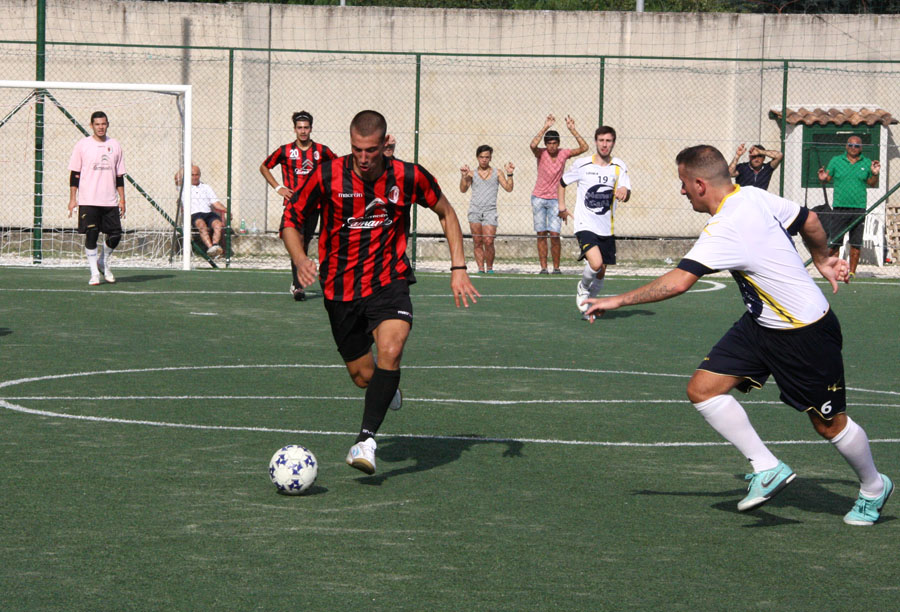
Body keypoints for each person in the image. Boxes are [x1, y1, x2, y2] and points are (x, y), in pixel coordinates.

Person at [584, 145, 892, 525]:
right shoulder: (752, 194)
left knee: (828, 424)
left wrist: (615, 301)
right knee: (702, 389)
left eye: (683, 184)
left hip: (804, 333)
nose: (681, 192)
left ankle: (874, 487)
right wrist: (823, 257)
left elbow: (679, 282)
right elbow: (810, 219)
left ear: (699, 184)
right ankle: (767, 466)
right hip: (761, 323)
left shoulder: (726, 226)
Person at [282, 110, 479, 476]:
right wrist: (299, 257)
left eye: (371, 149)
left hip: (389, 280)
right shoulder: (327, 174)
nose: (363, 157)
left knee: (391, 348)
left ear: (383, 144)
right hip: (340, 290)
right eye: (357, 148)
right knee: (362, 376)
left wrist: (459, 268)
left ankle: (365, 441)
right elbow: (291, 220)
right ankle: (385, 389)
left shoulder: (408, 175)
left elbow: (447, 212)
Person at [260, 110, 337, 300]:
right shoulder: (285, 150)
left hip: (315, 206)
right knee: (298, 242)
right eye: (300, 128)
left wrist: (328, 190)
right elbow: (264, 166)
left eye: (306, 127)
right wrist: (279, 187)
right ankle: (298, 286)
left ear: (311, 128)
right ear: (294, 129)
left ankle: (300, 282)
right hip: (294, 205)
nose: (303, 131)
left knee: (306, 242)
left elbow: (338, 167)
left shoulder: (322, 150)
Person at [558, 126, 631, 318]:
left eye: (608, 141)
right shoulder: (582, 165)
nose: (604, 144)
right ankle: (582, 287)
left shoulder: (619, 166)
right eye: (601, 140)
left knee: (601, 271)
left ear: (613, 143)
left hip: (606, 227)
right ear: (596, 142)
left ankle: (589, 307)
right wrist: (562, 207)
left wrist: (624, 192)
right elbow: (563, 182)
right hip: (584, 225)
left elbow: (626, 190)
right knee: (596, 263)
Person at [67, 111, 126, 285]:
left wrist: (122, 199)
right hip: (88, 200)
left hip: (109, 201)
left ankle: (103, 261)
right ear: (91, 125)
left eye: (103, 124)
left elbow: (119, 176)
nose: (100, 127)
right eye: (97, 124)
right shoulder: (82, 145)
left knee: (115, 235)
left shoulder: (115, 145)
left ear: (107, 124)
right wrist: (73, 198)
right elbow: (74, 174)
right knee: (91, 234)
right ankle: (94, 272)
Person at [530, 114, 588, 274]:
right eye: (549, 143)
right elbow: (532, 144)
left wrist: (572, 130)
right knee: (541, 234)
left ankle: (556, 267)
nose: (552, 146)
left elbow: (584, 147)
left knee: (555, 234)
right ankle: (543, 268)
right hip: (539, 198)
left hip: (556, 199)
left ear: (558, 144)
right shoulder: (540, 153)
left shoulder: (564, 153)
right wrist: (545, 126)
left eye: (554, 143)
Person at [818, 135, 881, 279]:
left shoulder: (866, 162)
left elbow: (871, 182)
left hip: (858, 208)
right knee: (835, 243)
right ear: (846, 146)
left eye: (857, 145)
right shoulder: (836, 161)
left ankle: (851, 273)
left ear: (861, 148)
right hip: (839, 208)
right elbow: (827, 178)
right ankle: (833, 271)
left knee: (856, 243)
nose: (854, 148)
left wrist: (875, 174)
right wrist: (822, 179)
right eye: (851, 145)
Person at [459, 145, 514, 274]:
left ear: (490, 158)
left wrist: (510, 174)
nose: (484, 160)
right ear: (477, 158)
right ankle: (480, 269)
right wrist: (463, 176)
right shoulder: (472, 173)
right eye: (481, 157)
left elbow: (508, 188)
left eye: (487, 157)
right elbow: (463, 189)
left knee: (488, 240)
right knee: (477, 241)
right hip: (475, 210)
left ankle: (489, 268)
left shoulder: (497, 172)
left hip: (490, 211)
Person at [176, 165, 227, 258]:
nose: (195, 177)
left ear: (200, 175)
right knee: (201, 225)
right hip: (194, 214)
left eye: (197, 175)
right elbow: (177, 177)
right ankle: (211, 248)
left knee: (218, 224)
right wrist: (187, 164)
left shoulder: (206, 187)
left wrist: (227, 210)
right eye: (192, 175)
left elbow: (216, 203)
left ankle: (215, 246)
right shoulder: (183, 187)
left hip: (208, 213)